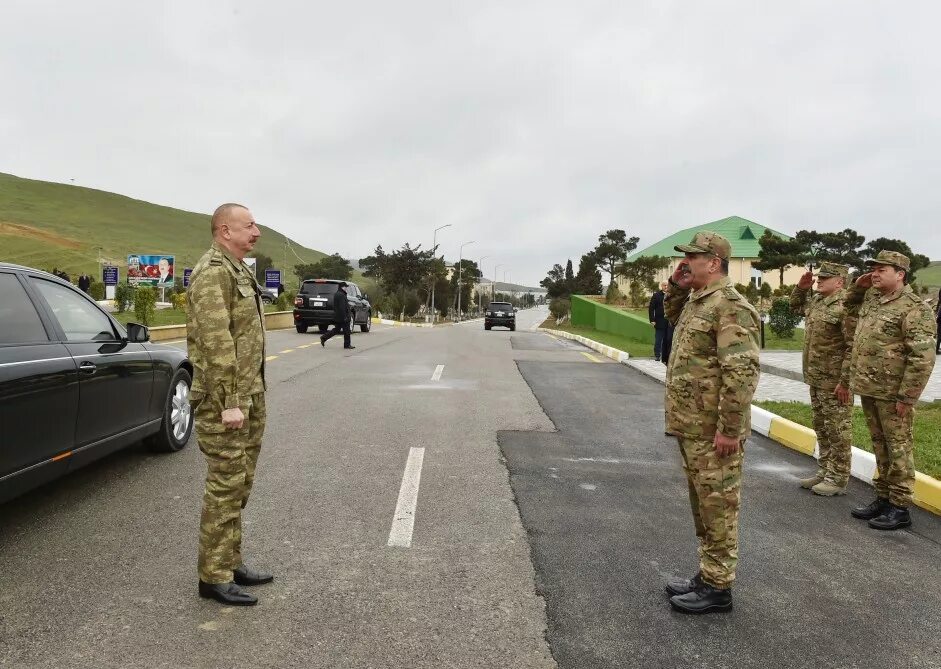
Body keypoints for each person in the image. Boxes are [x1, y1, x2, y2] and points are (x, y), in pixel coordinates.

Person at [661, 231, 760, 614]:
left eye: (693, 257)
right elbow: (672, 317)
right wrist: (676, 285)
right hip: (691, 424)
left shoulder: (731, 307)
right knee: (703, 503)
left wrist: (729, 429)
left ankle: (719, 587)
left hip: (713, 430)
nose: (687, 262)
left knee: (719, 505)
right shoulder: (699, 300)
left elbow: (741, 374)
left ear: (714, 262)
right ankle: (708, 573)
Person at [187, 203, 273, 606]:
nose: (256, 231)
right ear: (225, 230)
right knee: (225, 484)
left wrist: (249, 396)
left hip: (249, 395)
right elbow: (217, 341)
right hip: (226, 401)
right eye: (249, 225)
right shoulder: (213, 273)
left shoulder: (237, 268)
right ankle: (214, 576)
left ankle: (229, 559)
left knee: (241, 483)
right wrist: (229, 402)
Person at [843, 250, 936, 530]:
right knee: (880, 445)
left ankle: (900, 506)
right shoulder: (873, 299)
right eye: (874, 268)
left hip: (894, 393)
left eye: (882, 269)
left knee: (898, 449)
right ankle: (883, 498)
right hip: (871, 388)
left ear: (900, 275)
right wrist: (856, 288)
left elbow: (922, 357)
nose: (875, 273)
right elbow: (847, 309)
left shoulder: (915, 308)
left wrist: (908, 397)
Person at [788, 262, 855, 496]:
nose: (819, 280)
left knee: (838, 430)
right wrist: (801, 287)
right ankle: (825, 470)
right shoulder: (817, 301)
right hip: (816, 377)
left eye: (825, 278)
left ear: (840, 281)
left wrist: (845, 381)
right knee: (821, 426)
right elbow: (794, 306)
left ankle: (838, 478)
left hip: (835, 382)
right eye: (819, 277)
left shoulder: (846, 306)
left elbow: (852, 346)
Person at [320, 282, 355, 349]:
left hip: (338, 316)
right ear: (342, 287)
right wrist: (345, 317)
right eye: (345, 287)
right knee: (347, 331)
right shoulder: (341, 295)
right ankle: (347, 345)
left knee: (336, 329)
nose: (346, 288)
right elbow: (342, 307)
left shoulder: (337, 294)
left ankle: (324, 337)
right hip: (343, 317)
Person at [648, 281, 673, 364]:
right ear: (661, 286)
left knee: (668, 339)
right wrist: (652, 320)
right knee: (659, 339)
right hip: (659, 321)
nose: (666, 287)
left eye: (667, 285)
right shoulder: (656, 295)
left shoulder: (671, 295)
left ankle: (666, 356)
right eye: (664, 285)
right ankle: (657, 355)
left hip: (669, 321)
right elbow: (651, 308)